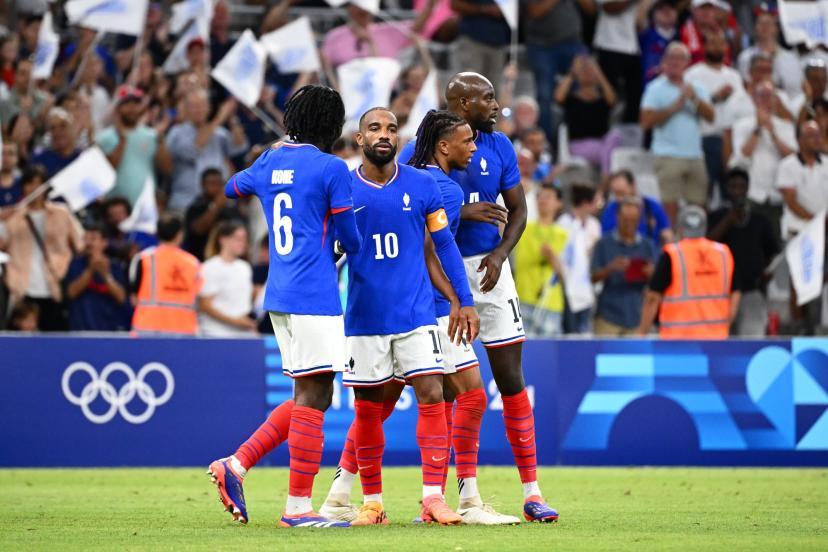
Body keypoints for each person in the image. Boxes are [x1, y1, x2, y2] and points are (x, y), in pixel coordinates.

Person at [320, 110, 515, 525]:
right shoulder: (343, 188)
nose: (384, 135)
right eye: (375, 128)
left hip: (418, 314)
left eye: (391, 128)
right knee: (371, 409)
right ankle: (369, 502)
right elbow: (329, 251)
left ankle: (433, 498)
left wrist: (463, 300)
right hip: (365, 316)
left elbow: (442, 246)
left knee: (432, 394)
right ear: (359, 138)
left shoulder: (421, 185)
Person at [400, 72, 559, 522]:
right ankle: (456, 492)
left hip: (491, 274)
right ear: (460, 102)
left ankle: (532, 491)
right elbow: (411, 206)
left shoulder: (500, 145)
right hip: (443, 278)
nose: (495, 105)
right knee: (451, 388)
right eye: (487, 98)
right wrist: (460, 210)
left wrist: (501, 254)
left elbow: (520, 210)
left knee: (510, 380)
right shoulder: (426, 147)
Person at [207, 85, 362, 529]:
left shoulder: (271, 159)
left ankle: (236, 465)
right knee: (315, 397)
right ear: (330, 125)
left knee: (308, 394)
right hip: (314, 294)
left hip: (278, 295)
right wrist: (336, 240)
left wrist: (269, 158)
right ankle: (297, 507)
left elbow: (235, 187)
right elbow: (350, 240)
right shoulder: (332, 168)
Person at [0, 166, 83, 331]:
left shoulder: (62, 213)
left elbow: (80, 243)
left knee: (55, 340)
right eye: (30, 184)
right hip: (21, 289)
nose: (34, 189)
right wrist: (2, 221)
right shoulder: (13, 216)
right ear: (23, 187)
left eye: (39, 184)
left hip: (53, 285)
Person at [640, 41, 715, 224]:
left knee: (698, 208)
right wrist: (674, 107)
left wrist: (694, 99)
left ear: (687, 63)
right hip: (668, 155)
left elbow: (711, 117)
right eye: (671, 58)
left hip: (695, 155)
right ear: (664, 61)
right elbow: (645, 122)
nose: (675, 62)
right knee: (669, 209)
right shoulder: (655, 88)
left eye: (680, 58)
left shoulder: (696, 88)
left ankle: (694, 244)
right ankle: (670, 245)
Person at [638, 206, 741, 338]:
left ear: (679, 229)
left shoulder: (672, 254)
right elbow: (736, 294)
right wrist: (724, 325)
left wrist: (642, 334)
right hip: (716, 340)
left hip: (678, 341)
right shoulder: (723, 253)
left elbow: (652, 298)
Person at [708, 168, 779, 336]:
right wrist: (729, 220)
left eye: (741, 187)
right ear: (726, 189)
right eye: (733, 186)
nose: (737, 191)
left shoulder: (760, 220)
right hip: (720, 292)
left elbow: (772, 252)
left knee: (752, 341)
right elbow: (707, 244)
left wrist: (766, 272)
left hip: (751, 291)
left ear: (747, 189)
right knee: (719, 342)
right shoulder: (716, 216)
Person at [727, 80, 796, 243]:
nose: (766, 100)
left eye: (770, 96)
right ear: (753, 99)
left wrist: (773, 133)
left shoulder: (786, 126)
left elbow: (792, 158)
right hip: (753, 193)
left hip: (777, 194)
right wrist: (758, 129)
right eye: (761, 96)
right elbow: (742, 156)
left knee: (775, 240)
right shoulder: (742, 126)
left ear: (775, 99)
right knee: (750, 241)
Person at [684, 30, 745, 201]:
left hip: (731, 139)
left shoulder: (734, 76)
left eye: (720, 43)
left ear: (726, 47)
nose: (717, 47)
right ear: (705, 46)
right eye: (712, 43)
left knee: (731, 191)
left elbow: (741, 107)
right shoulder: (693, 74)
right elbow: (688, 108)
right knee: (705, 190)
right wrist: (715, 98)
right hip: (704, 138)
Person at [166, 90, 249, 212]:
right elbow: (191, 151)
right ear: (187, 109)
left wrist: (232, 120)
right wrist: (219, 117)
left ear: (209, 108)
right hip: (186, 202)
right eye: (194, 106)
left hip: (219, 203)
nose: (198, 109)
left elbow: (240, 146)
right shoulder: (177, 132)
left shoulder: (220, 133)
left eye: (201, 105)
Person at [522, 0, 594, 140]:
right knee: (544, 97)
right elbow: (534, 12)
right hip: (541, 46)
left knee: (582, 90)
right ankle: (544, 144)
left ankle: (578, 139)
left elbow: (591, 9)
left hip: (572, 43)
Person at [97, 85, 172, 208]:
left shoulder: (151, 135)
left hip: (144, 205)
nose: (132, 109)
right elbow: (107, 170)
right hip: (114, 205)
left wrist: (160, 139)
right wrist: (122, 140)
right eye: (127, 104)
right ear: (118, 107)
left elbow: (167, 169)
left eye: (136, 104)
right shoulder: (104, 137)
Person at [591, 196, 657, 336]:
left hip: (637, 314)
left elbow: (655, 282)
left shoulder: (647, 245)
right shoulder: (604, 243)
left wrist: (651, 274)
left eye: (633, 220)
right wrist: (610, 268)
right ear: (618, 217)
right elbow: (592, 277)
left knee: (635, 357)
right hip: (608, 316)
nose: (629, 224)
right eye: (625, 219)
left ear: (639, 220)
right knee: (605, 357)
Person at [130, 213, 202, 336]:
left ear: (157, 233)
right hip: (184, 331)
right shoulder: (193, 263)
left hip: (147, 330)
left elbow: (134, 298)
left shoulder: (143, 259)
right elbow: (199, 298)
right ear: (180, 234)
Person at [515, 184, 568, 337]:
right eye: (540, 196)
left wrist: (552, 257)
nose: (543, 200)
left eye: (549, 197)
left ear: (559, 203)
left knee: (550, 356)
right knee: (525, 356)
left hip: (550, 303)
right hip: (523, 299)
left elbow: (566, 275)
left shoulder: (564, 234)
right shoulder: (522, 228)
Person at [554, 53, 621, 176]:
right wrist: (573, 71)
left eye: (590, 70)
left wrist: (598, 72)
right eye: (584, 70)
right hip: (579, 145)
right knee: (608, 152)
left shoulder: (602, 100)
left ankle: (605, 177)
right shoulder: (571, 99)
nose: (587, 73)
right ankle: (606, 179)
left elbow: (613, 100)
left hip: (602, 143)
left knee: (614, 137)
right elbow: (558, 97)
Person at [64, 222, 129, 332]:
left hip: (109, 329)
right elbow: (71, 293)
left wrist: (106, 275)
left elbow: (121, 298)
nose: (88, 243)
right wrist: (90, 270)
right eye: (86, 238)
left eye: (93, 238)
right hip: (81, 328)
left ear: (104, 242)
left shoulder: (115, 266)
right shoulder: (76, 264)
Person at [197, 221, 256, 337]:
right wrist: (236, 322)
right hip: (215, 333)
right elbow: (205, 305)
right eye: (238, 238)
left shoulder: (245, 268)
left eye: (245, 239)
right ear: (223, 240)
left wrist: (248, 324)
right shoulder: (210, 267)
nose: (242, 243)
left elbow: (241, 305)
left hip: (242, 334)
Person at [557, 183, 601, 334]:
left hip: (586, 285)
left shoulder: (594, 225)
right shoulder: (564, 223)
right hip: (568, 284)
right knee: (571, 331)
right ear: (585, 203)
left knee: (585, 332)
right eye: (595, 201)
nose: (598, 206)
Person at [593, 0, 644, 124]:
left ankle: (630, 135)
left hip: (632, 46)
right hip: (608, 45)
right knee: (605, 99)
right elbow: (609, 8)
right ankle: (602, 134)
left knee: (635, 98)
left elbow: (640, 21)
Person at [776, 120, 828, 241]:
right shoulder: (787, 165)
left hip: (824, 231)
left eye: (818, 135)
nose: (816, 139)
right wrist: (817, 221)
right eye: (811, 136)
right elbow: (791, 202)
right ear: (799, 140)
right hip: (798, 230)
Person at [736, 10, 802, 98]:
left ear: (776, 29)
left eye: (768, 23)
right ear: (755, 28)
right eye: (760, 23)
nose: (765, 27)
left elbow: (796, 89)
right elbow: (745, 86)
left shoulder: (791, 58)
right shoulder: (745, 57)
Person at [184, 168, 244, 260]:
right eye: (212, 183)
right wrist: (216, 205)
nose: (216, 187)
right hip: (200, 259)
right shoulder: (195, 207)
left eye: (219, 183)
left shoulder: (230, 209)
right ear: (203, 185)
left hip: (228, 261)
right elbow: (198, 230)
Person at [601, 170, 673, 246]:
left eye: (622, 193)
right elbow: (606, 239)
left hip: (649, 254)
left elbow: (667, 234)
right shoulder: (610, 210)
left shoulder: (651, 206)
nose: (619, 199)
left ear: (633, 186)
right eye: (615, 194)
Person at [450, 0, 510, 91]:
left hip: (498, 43)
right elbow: (455, 4)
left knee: (493, 91)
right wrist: (485, 9)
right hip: (473, 39)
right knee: (469, 87)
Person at [31, 108, 80, 178]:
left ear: (73, 127)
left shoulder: (83, 158)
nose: (58, 132)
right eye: (52, 128)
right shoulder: (40, 159)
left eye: (63, 126)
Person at [638, 0, 678, 85]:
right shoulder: (646, 35)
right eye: (660, 7)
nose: (666, 9)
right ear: (653, 13)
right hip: (648, 88)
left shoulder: (683, 35)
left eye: (671, 7)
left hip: (676, 89)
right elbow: (640, 19)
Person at [0, 140, 21, 208]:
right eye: (2, 153)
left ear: (17, 158)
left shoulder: (24, 184)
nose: (5, 158)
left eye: (10, 154)